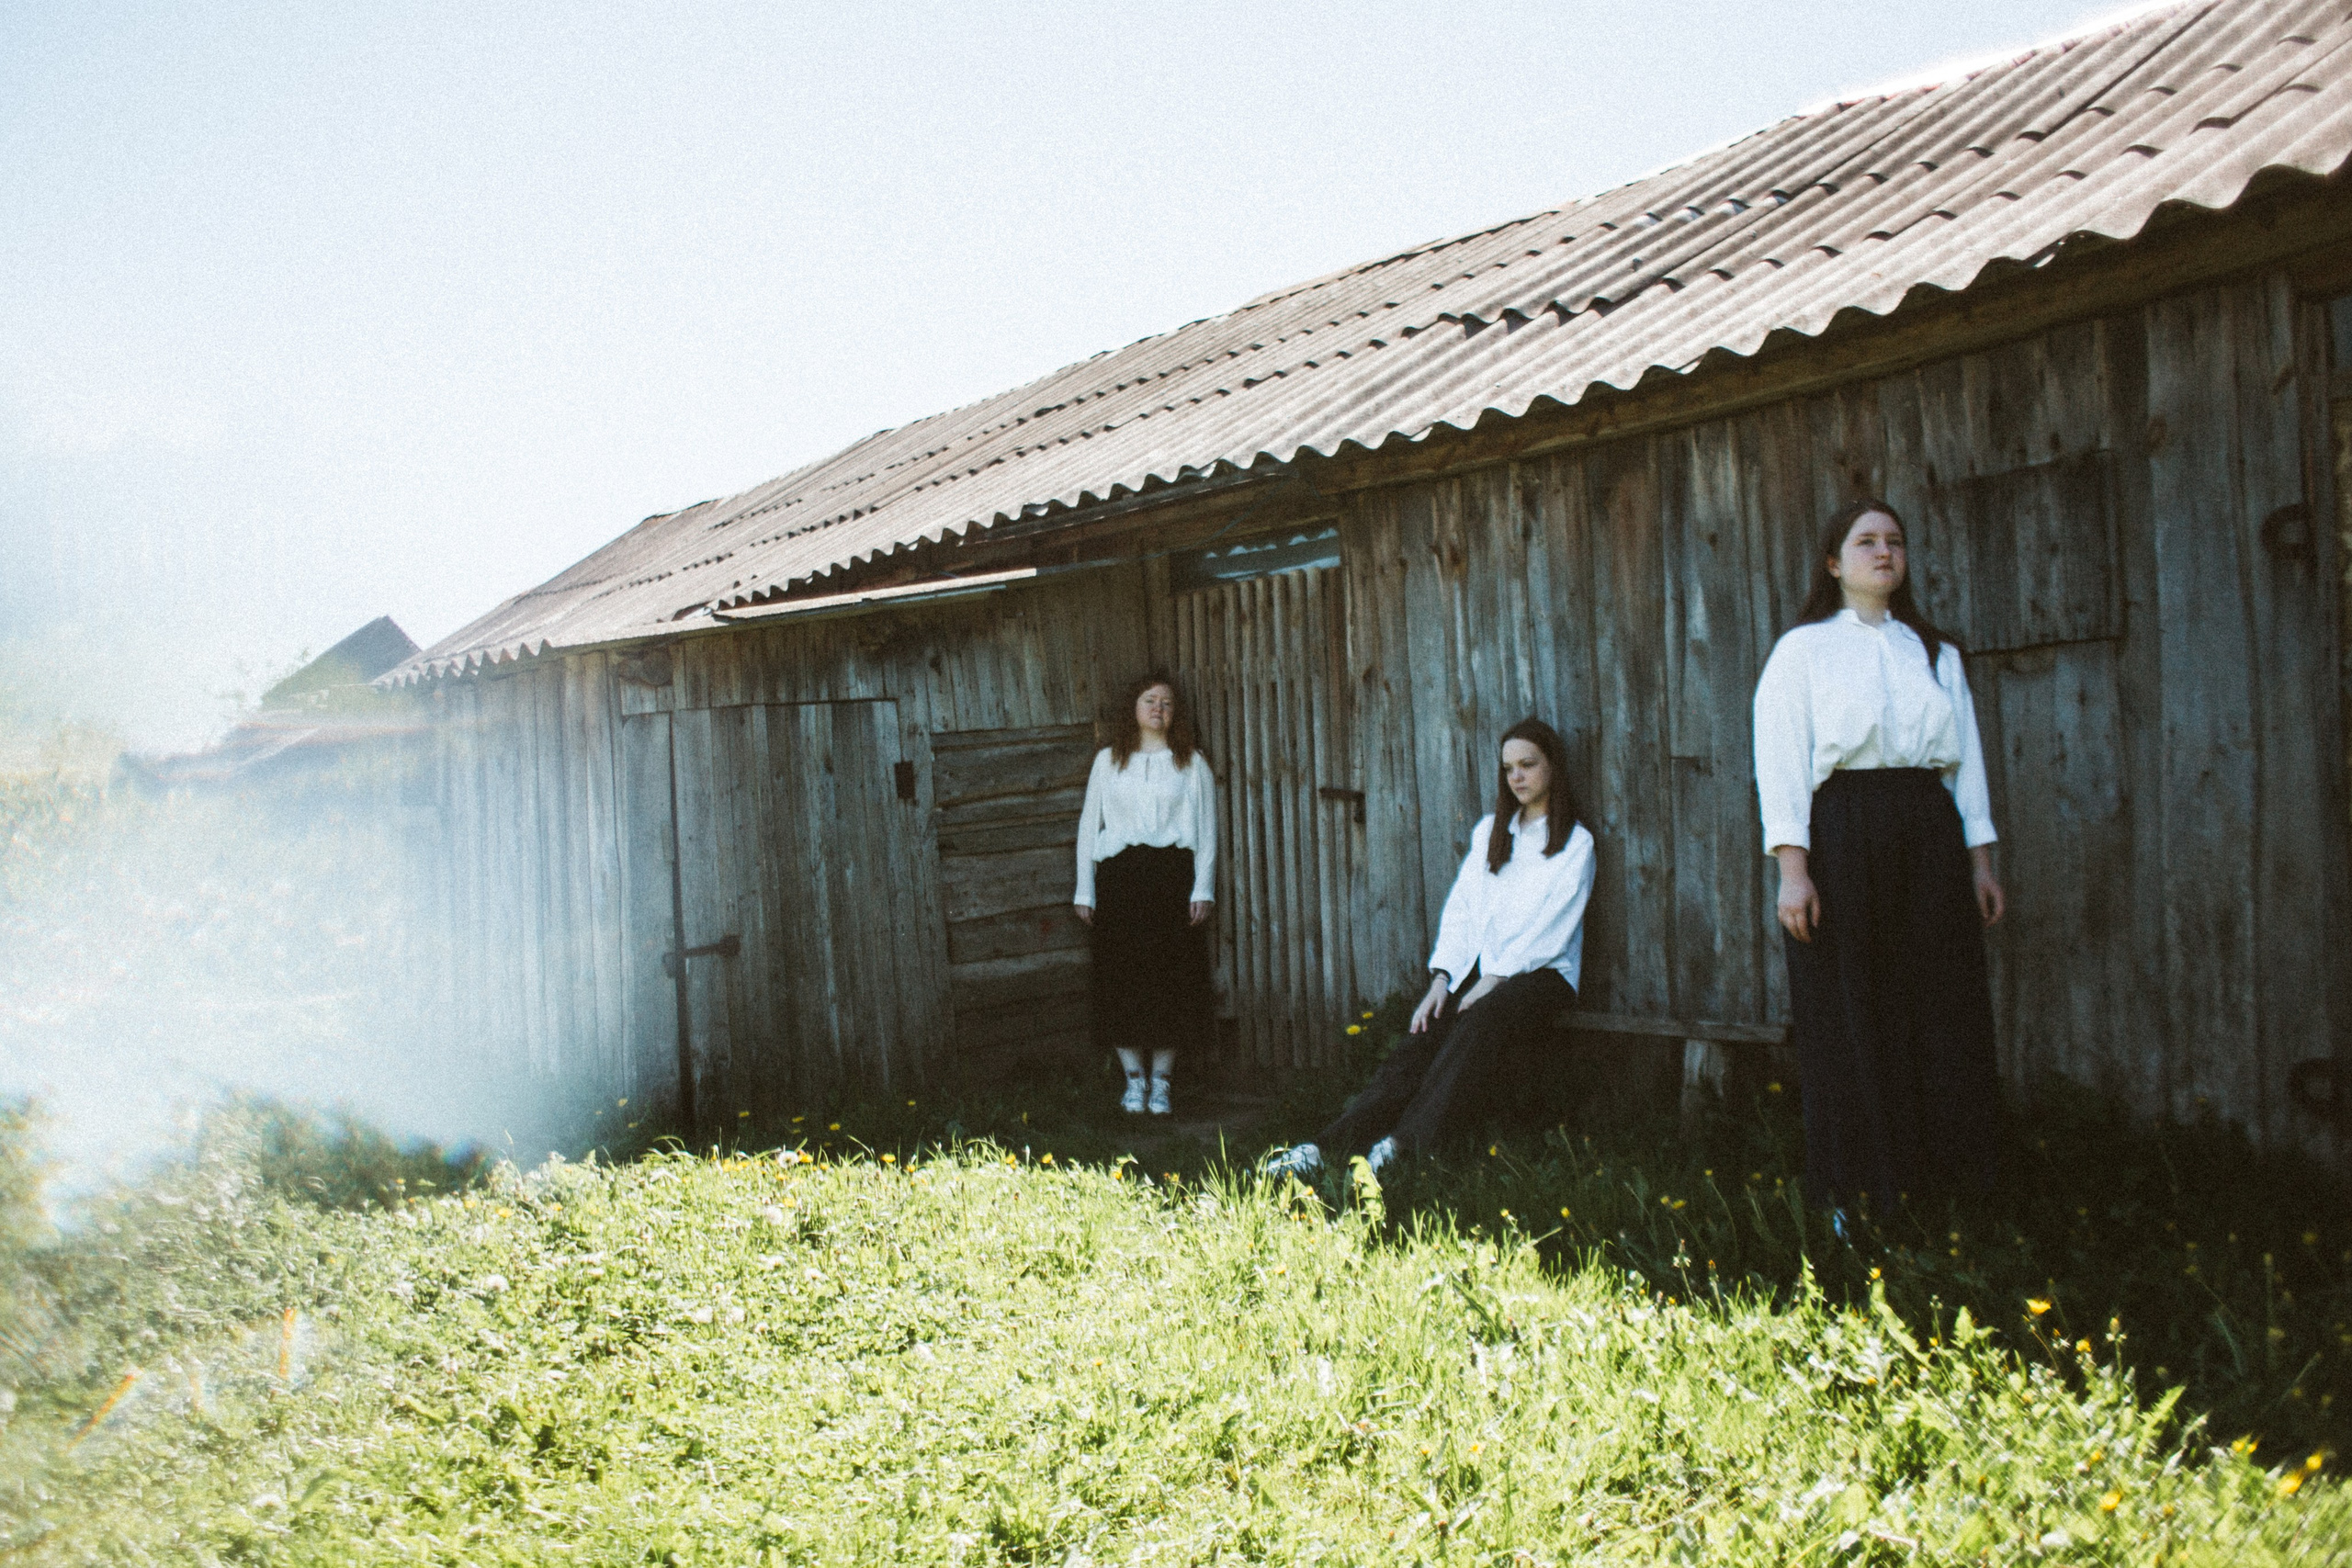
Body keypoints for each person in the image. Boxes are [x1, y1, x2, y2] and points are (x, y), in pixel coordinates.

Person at [1751, 497, 2007, 1215]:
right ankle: (1857, 1192)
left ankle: (1951, 1189)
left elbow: (1969, 767)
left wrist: (1980, 861)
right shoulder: (1802, 651)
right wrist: (1794, 871)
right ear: (1835, 563)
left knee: (1939, 1002)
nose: (1884, 552)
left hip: (1927, 825)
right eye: (1866, 541)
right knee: (1852, 1003)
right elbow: (1782, 763)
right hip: (1843, 827)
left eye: (1894, 540)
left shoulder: (1934, 652)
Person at [1264, 717, 1595, 1180]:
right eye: (1508, 768)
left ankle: (1401, 1147)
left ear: (1552, 768)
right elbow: (1462, 910)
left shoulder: (1576, 844)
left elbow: (1552, 929)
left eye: (1528, 765)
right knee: (1424, 1034)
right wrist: (1443, 979)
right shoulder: (1491, 832)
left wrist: (1492, 983)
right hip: (1483, 972)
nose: (1517, 777)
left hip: (1543, 975)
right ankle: (1323, 1148)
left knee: (1479, 1022)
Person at [1073, 672, 1216, 1116]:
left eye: (1167, 703)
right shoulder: (1108, 761)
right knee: (1121, 977)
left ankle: (1162, 1083)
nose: (1158, 709)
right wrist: (1085, 888)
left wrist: (1203, 886)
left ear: (1176, 713)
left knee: (1173, 978)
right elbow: (1088, 827)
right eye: (1150, 700)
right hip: (1119, 880)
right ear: (1133, 708)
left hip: (1172, 879)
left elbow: (1208, 830)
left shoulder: (1191, 763)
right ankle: (1133, 1081)